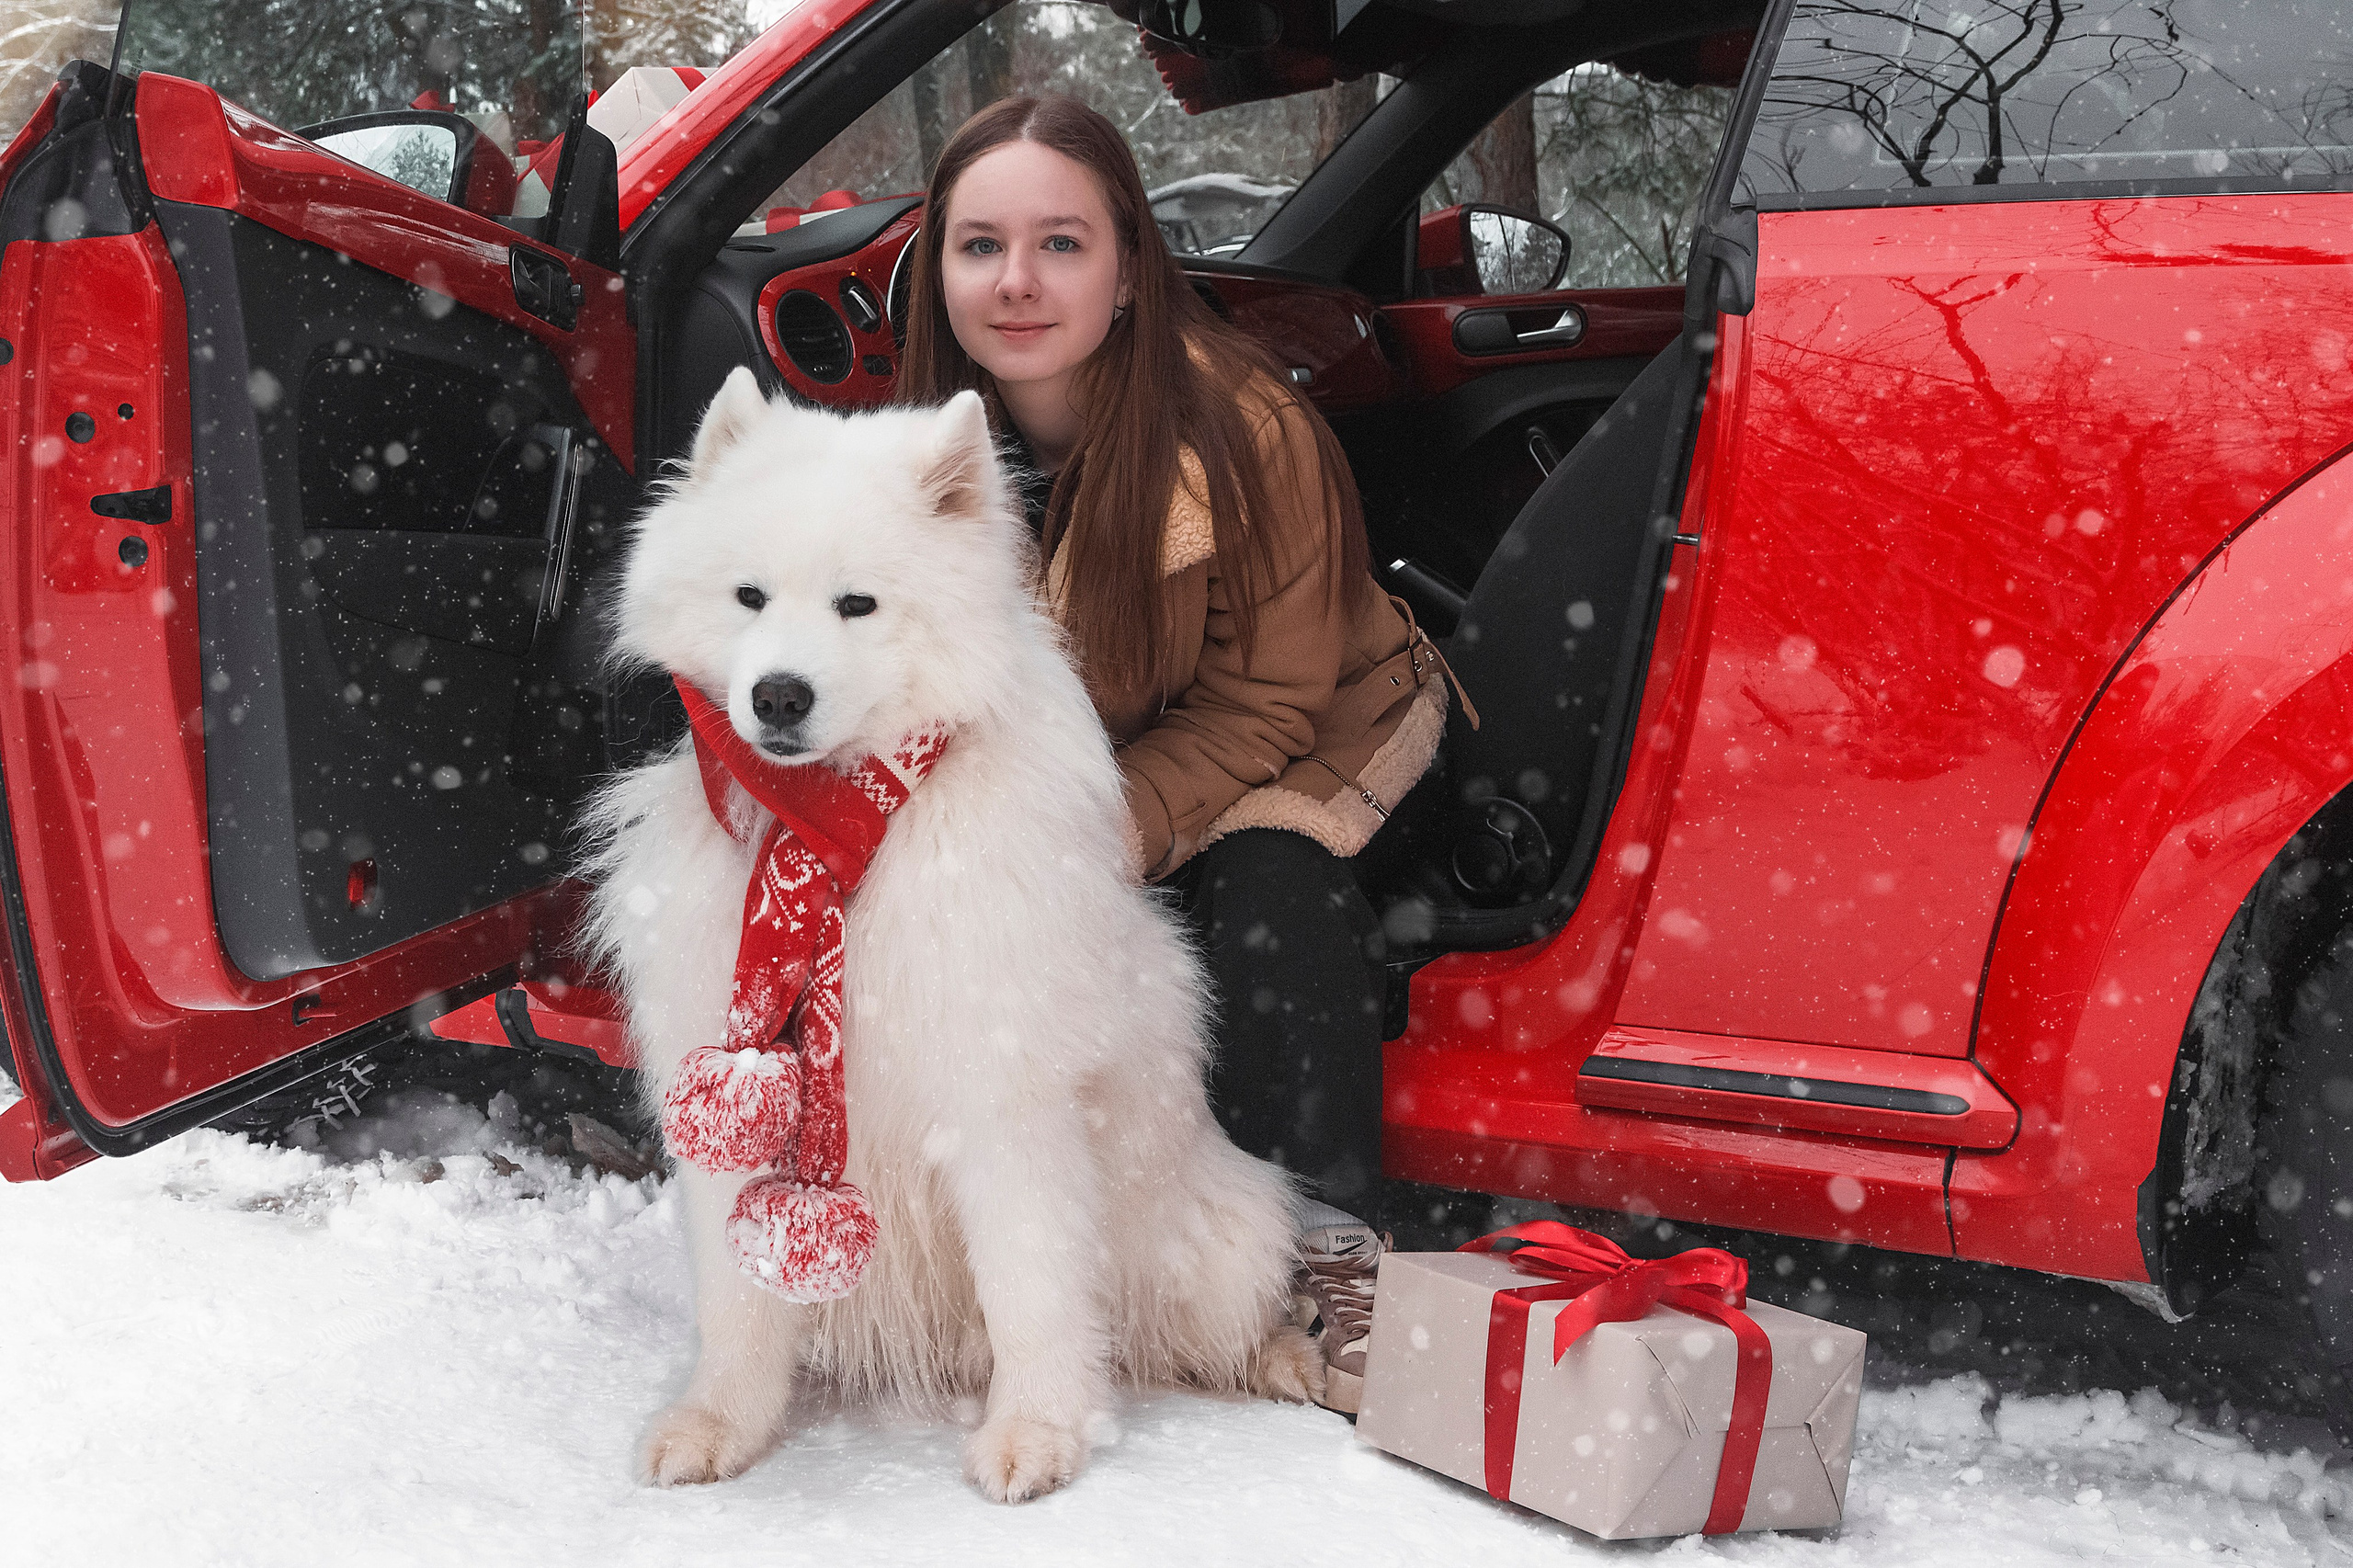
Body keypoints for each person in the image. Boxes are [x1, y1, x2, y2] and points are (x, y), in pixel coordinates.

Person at [897, 95, 1457, 1413]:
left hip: (1328, 726)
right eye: (980, 245)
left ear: (1132, 267)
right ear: (939, 268)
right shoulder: (928, 447)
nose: (1017, 281)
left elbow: (1268, 704)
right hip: (1111, 752)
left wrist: (1096, 829)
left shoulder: (1240, 427)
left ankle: (1329, 1250)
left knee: (1262, 887)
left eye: (1062, 244)